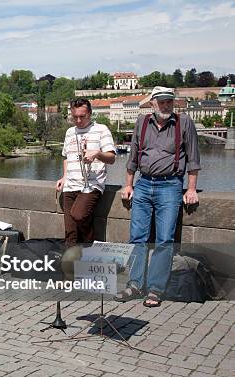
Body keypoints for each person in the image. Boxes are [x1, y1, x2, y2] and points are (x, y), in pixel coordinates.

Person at [116, 86, 200, 307]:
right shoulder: (142, 122)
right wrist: (128, 184)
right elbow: (133, 156)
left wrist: (191, 189)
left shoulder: (184, 122)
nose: (165, 105)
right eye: (161, 102)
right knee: (137, 237)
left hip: (170, 185)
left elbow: (193, 159)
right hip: (143, 184)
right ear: (152, 102)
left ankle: (155, 289)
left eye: (169, 102)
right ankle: (134, 285)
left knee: (164, 240)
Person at [56, 98, 116, 247]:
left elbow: (112, 158)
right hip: (70, 185)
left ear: (90, 113)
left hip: (92, 184)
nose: (78, 120)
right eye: (74, 116)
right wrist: (64, 176)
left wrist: (97, 154)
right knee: (70, 233)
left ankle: (90, 245)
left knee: (79, 214)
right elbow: (66, 157)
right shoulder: (70, 132)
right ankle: (70, 267)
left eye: (82, 116)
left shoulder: (102, 129)